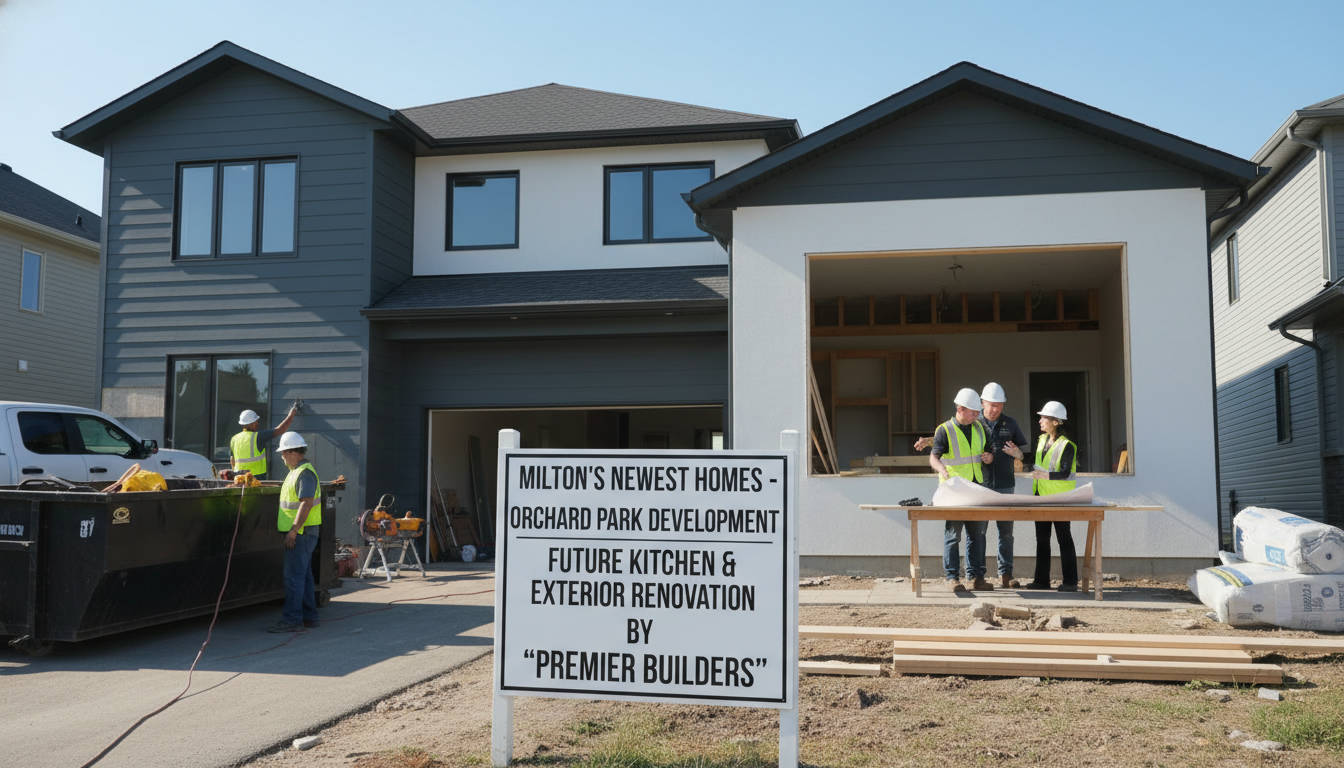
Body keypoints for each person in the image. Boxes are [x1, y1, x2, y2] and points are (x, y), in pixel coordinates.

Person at [928, 388, 994, 592]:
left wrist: (989, 458)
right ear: (960, 409)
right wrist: (941, 469)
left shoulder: (980, 428)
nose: (977, 415)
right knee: (953, 535)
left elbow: (989, 452)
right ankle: (952, 578)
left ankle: (976, 577)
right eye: (973, 412)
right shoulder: (944, 430)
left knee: (978, 535)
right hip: (954, 491)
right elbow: (933, 457)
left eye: (977, 412)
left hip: (976, 488)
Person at [977, 383, 1030, 588]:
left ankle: (1006, 574)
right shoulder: (975, 423)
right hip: (980, 484)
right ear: (982, 403)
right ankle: (978, 575)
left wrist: (1018, 455)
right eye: (991, 405)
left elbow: (1023, 454)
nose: (995, 409)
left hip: (1006, 484)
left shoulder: (1011, 423)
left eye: (999, 405)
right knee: (978, 531)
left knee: (1006, 531)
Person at [269, 431, 322, 633]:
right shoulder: (298, 472)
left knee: (293, 577)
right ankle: (309, 616)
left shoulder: (304, 473)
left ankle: (292, 620)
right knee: (304, 576)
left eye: (283, 454)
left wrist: (293, 531)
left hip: (301, 534)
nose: (282, 458)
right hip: (303, 533)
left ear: (293, 452)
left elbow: (306, 504)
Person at [1025, 401, 1079, 592]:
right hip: (1041, 497)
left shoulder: (1067, 445)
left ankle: (1071, 582)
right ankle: (1041, 581)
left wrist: (1046, 475)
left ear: (1056, 422)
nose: (1040, 420)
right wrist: (1019, 455)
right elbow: (1035, 462)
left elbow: (1065, 472)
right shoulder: (1041, 440)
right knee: (1042, 540)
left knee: (1064, 539)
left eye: (1044, 417)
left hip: (1060, 499)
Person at [231, 404, 297, 479]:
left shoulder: (234, 439)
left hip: (239, 479)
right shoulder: (258, 437)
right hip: (256, 479)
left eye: (257, 421)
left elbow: (232, 461)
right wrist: (291, 415)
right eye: (255, 422)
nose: (257, 424)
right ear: (248, 424)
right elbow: (279, 430)